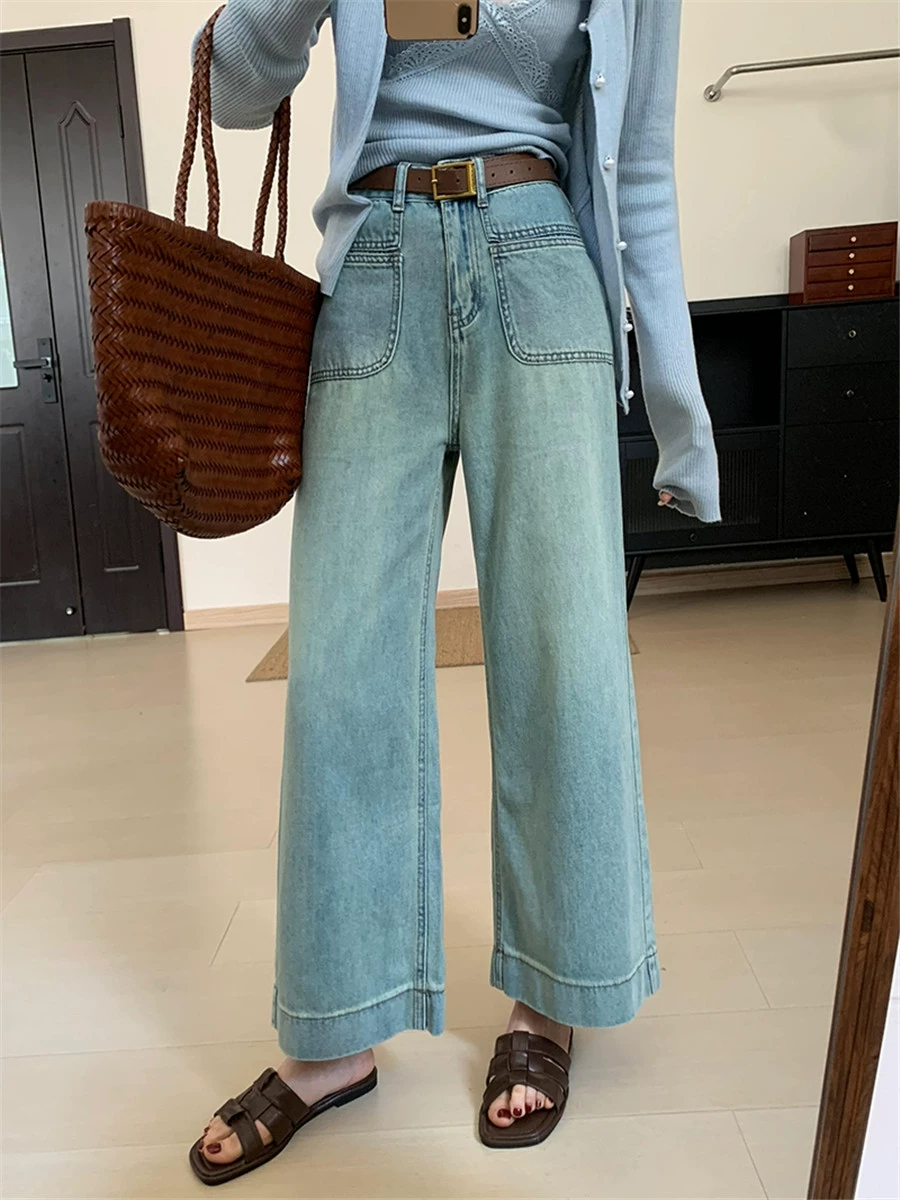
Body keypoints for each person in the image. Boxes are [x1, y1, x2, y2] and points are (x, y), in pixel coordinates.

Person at [188, 0, 721, 1184]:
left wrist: (681, 411)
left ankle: (548, 1000)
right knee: (339, 676)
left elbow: (641, 168)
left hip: (542, 263)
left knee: (565, 664)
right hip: (372, 272)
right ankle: (334, 1038)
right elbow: (233, 88)